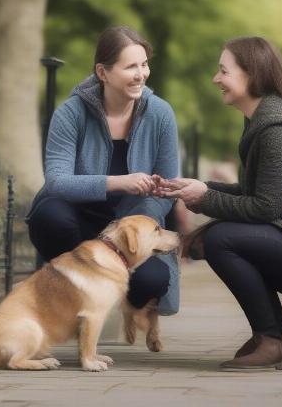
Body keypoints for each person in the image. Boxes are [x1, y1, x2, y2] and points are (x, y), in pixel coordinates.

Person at [154, 36, 282, 370]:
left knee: (222, 239)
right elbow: (257, 193)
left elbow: (264, 208)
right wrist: (202, 187)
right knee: (222, 236)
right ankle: (279, 338)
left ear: (251, 74)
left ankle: (272, 337)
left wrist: (205, 198)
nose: (215, 79)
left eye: (223, 71)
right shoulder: (262, 122)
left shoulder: (278, 130)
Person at [26, 26, 180, 316]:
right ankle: (77, 293)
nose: (141, 74)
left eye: (144, 64)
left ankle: (107, 296)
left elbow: (168, 189)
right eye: (130, 66)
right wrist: (119, 182)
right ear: (102, 72)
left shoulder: (160, 114)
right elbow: (57, 181)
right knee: (50, 217)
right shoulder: (71, 114)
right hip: (76, 221)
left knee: (154, 280)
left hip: (130, 230)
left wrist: (146, 207)